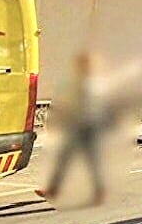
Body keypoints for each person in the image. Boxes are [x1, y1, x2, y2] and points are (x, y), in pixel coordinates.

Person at [37, 51, 105, 204]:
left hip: (88, 127)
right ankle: (54, 190)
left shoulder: (93, 85)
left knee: (91, 161)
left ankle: (99, 191)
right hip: (76, 126)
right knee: (64, 158)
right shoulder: (76, 83)